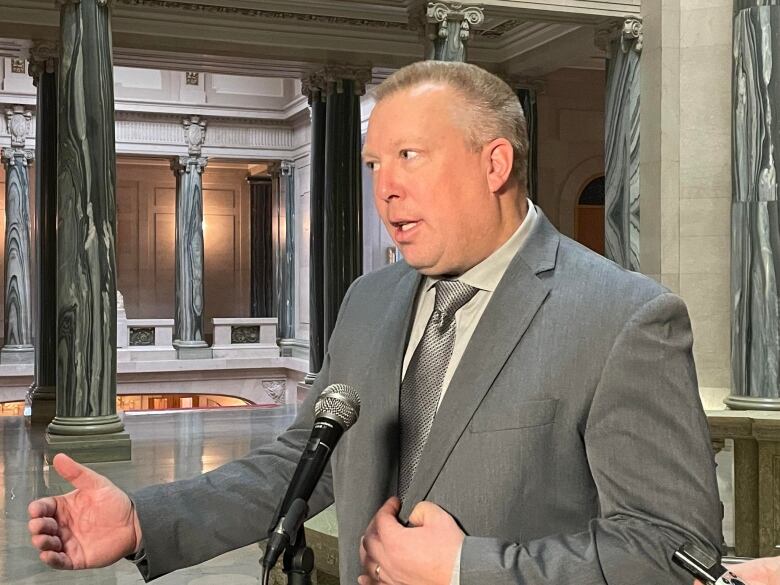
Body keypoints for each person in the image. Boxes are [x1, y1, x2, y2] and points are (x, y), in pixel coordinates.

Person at [30, 61, 723, 584]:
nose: (384, 185)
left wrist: (466, 568)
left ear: (495, 163)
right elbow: (302, 465)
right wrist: (145, 517)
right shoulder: (369, 299)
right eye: (373, 162)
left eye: (409, 156)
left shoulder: (626, 318)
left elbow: (672, 549)